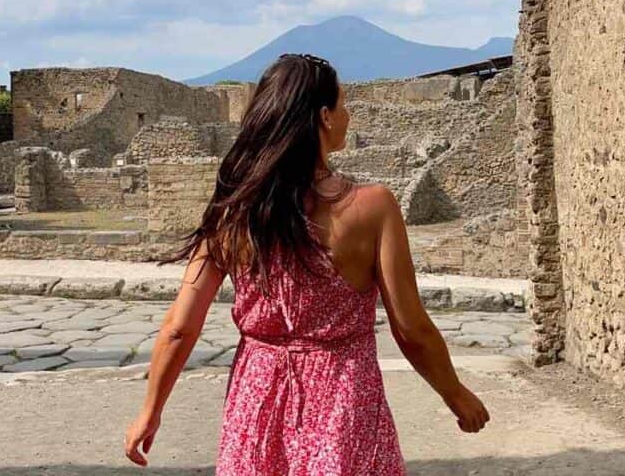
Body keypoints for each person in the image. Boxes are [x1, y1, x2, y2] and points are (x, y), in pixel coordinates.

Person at [125, 53, 490, 474]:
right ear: (323, 117)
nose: (348, 116)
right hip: (343, 402)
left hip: (256, 403)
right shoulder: (372, 208)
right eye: (343, 105)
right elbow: (409, 328)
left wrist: (150, 411)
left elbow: (179, 328)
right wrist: (454, 394)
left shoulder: (235, 211)